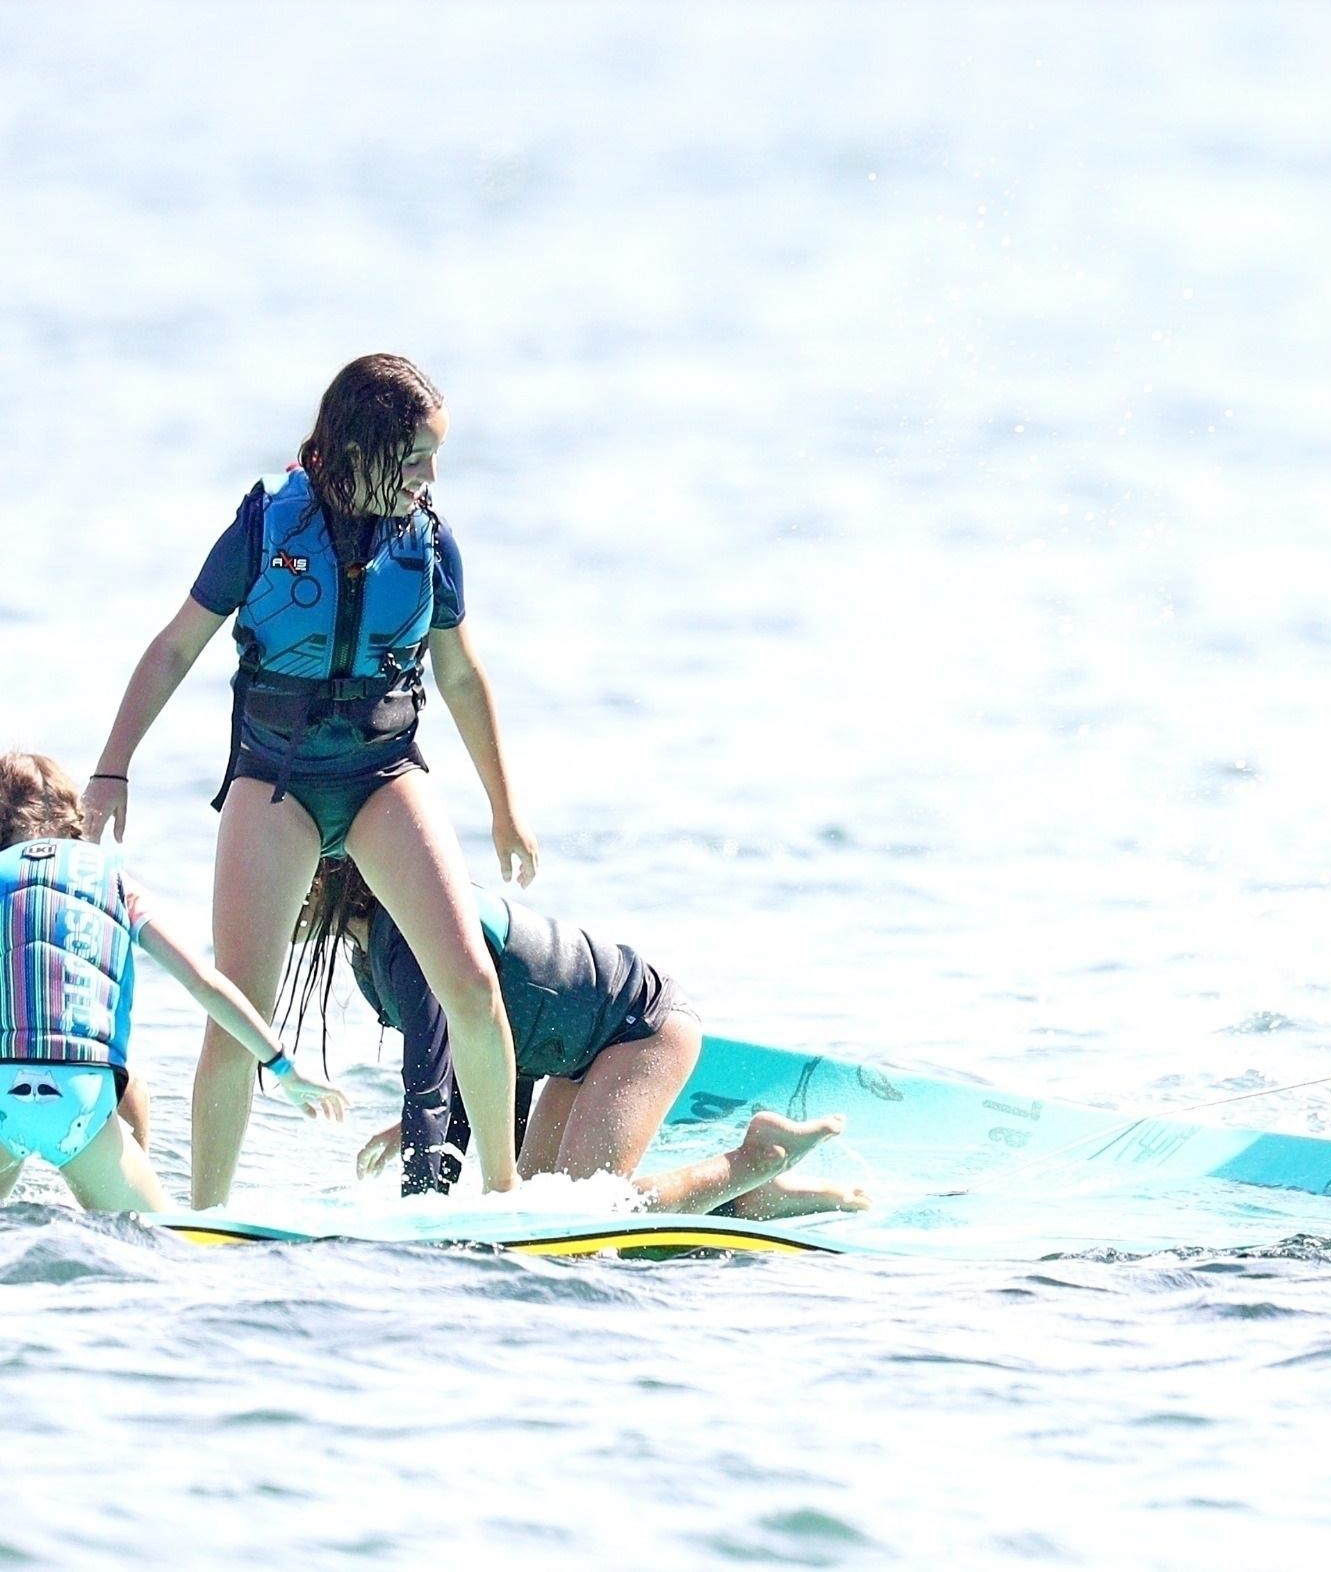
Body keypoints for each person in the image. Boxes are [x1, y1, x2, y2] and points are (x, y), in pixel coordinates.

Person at [84, 353, 539, 1206]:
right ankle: (207, 1217)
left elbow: (464, 677)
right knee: (238, 1012)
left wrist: (504, 810)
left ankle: (506, 1198)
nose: (430, 478)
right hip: (278, 782)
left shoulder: (431, 542)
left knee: (472, 985)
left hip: (383, 774)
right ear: (362, 449)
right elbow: (176, 645)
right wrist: (115, 764)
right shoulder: (265, 527)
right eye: (414, 459)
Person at [280, 857, 862, 1218]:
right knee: (538, 1205)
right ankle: (751, 1199)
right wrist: (436, 1187)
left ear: (335, 877)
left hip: (638, 1028)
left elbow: (440, 1079)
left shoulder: (410, 933)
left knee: (586, 1216)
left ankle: (758, 1155)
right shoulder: (367, 954)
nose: (278, 899)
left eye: (291, 880)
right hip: (566, 1055)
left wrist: (419, 1220)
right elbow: (481, 1062)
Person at [0, 753, 346, 1214]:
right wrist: (283, 1067)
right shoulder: (117, 883)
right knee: (153, 1232)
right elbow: (205, 982)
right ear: (74, 823)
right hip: (81, 1103)